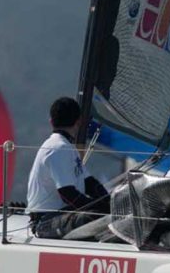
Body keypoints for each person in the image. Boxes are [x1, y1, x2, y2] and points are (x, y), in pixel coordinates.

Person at [27, 97, 109, 238]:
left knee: (108, 217)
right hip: (45, 221)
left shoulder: (67, 148)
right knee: (95, 219)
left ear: (51, 122)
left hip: (63, 214)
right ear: (78, 122)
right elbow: (66, 193)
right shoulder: (58, 148)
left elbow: (89, 183)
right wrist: (98, 209)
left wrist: (109, 202)